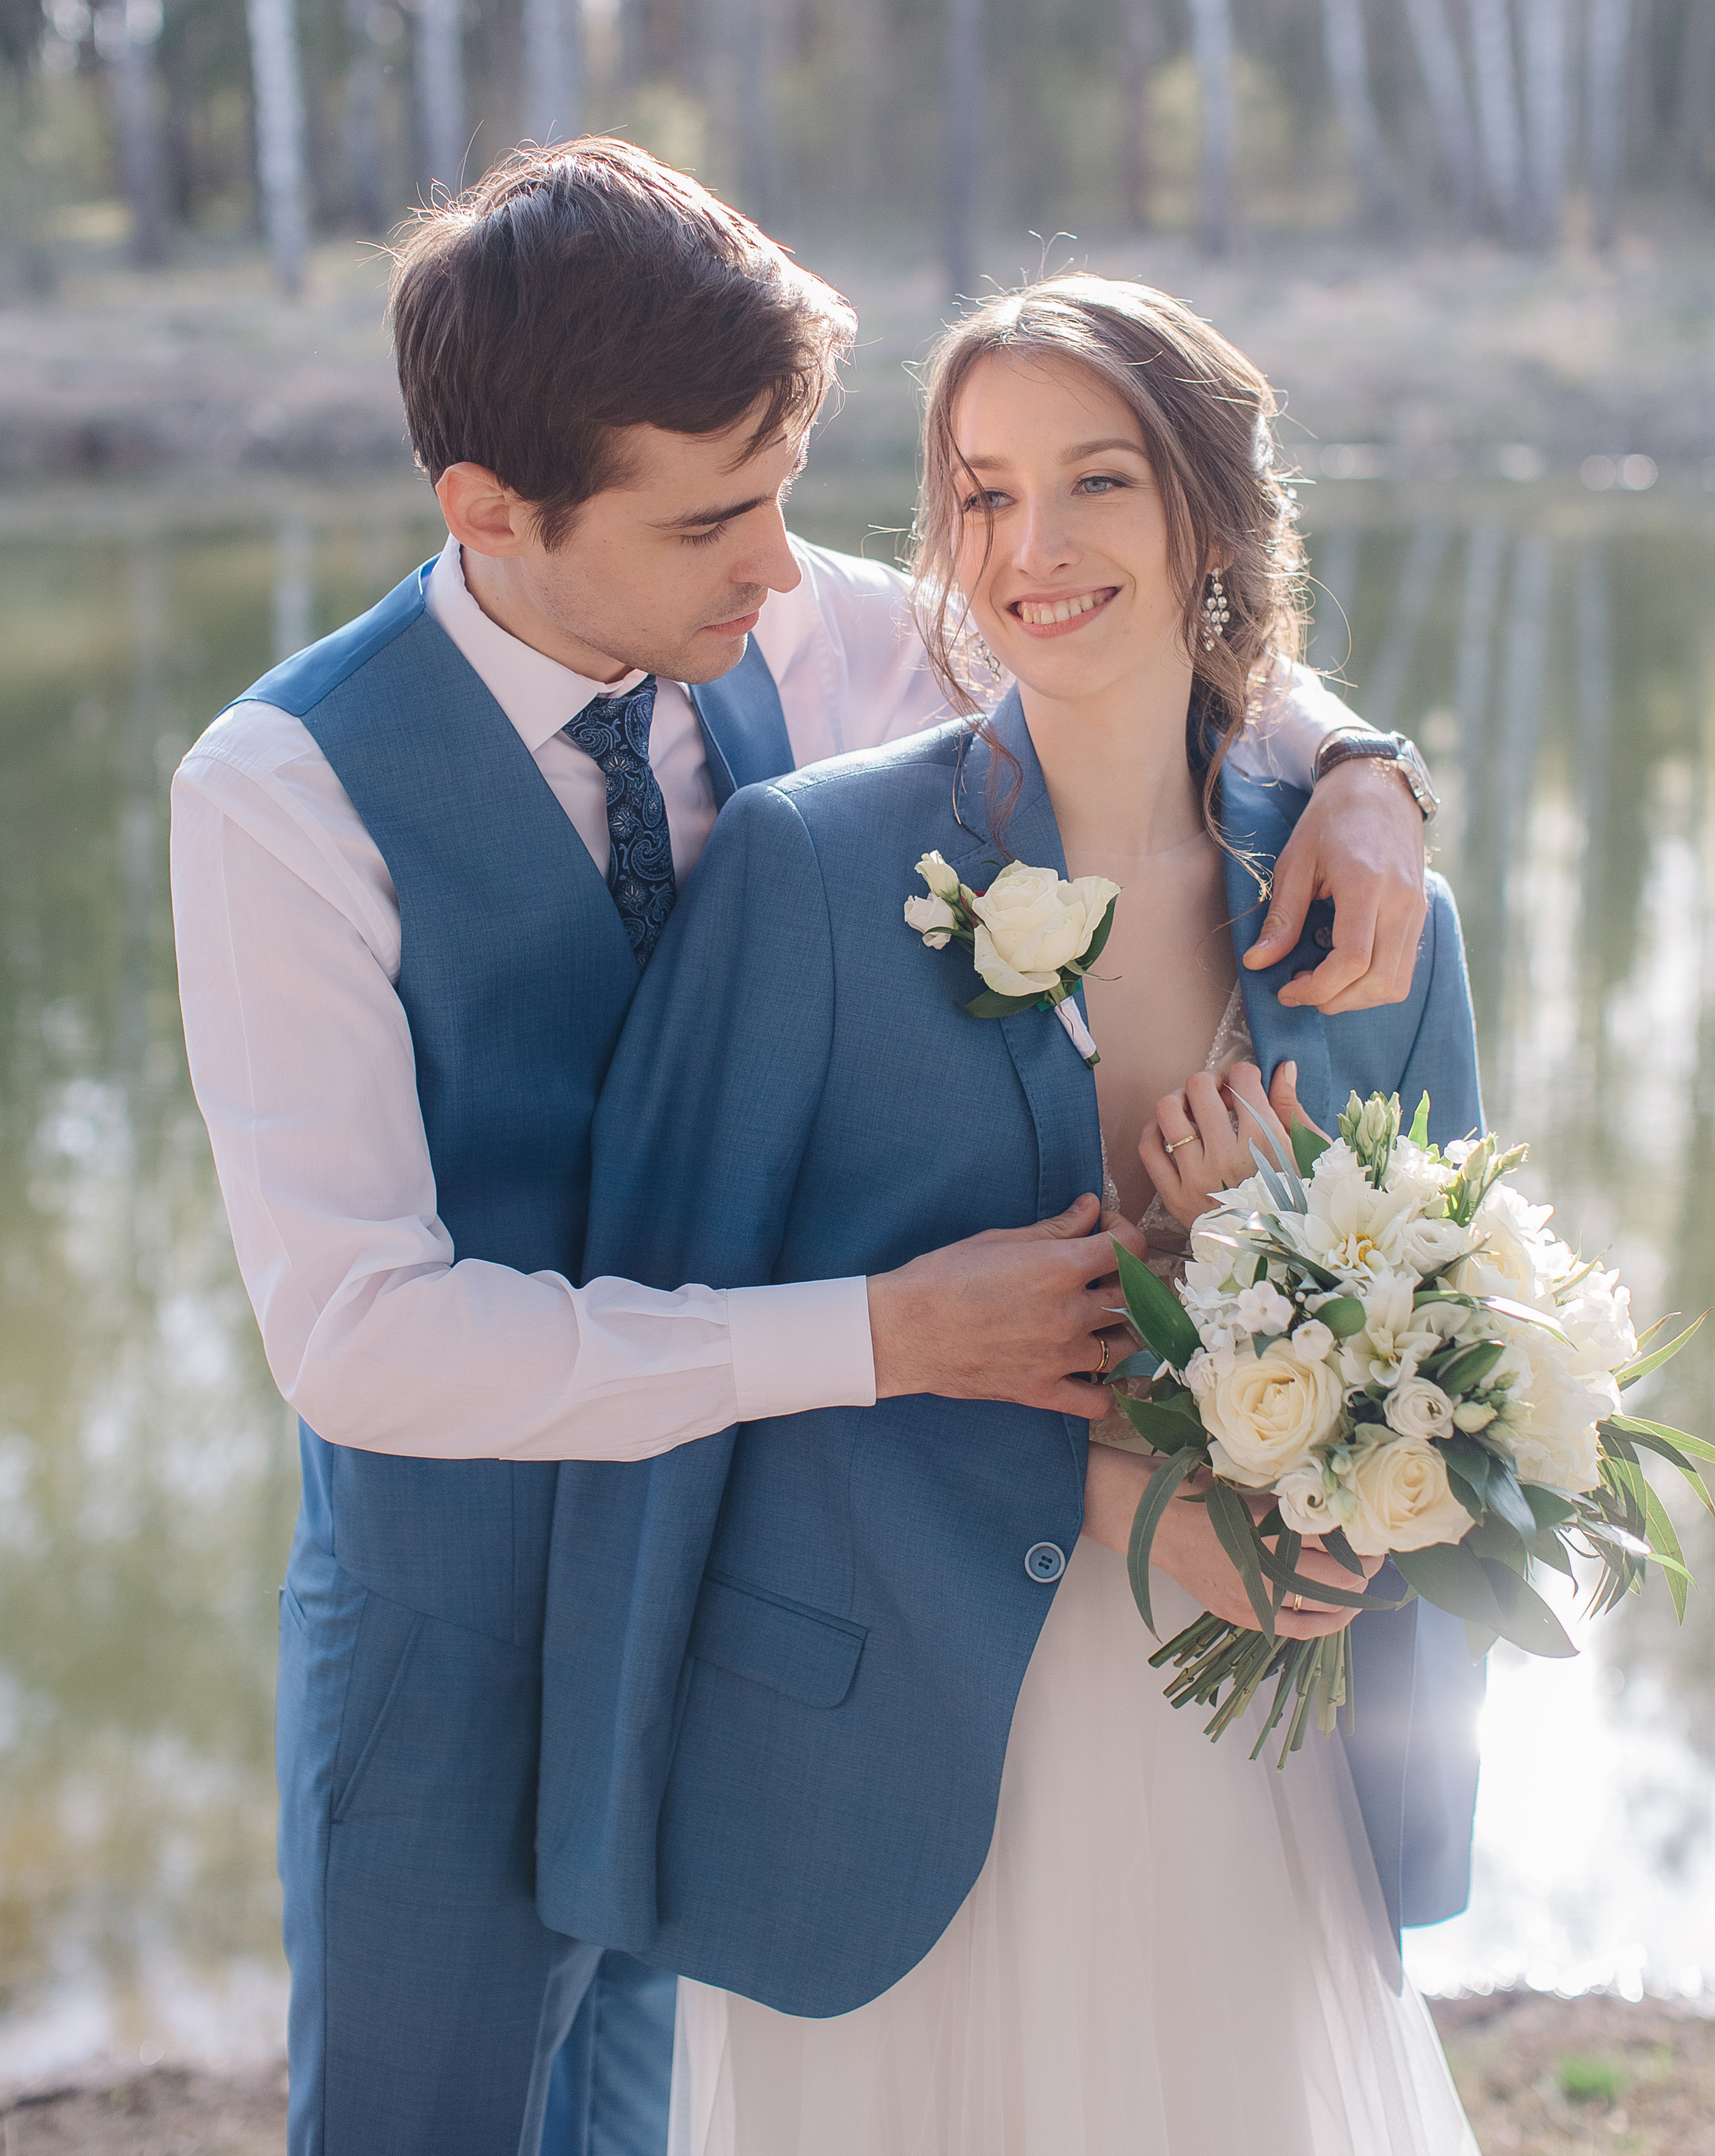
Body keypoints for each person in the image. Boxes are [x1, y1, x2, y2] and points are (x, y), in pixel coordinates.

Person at [169, 144, 1439, 2156]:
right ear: (494, 514)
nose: (785, 569)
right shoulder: (279, 799)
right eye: (715, 523)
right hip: (468, 1634)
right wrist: (879, 1336)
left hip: (769, 1604)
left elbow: (1124, 620)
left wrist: (1365, 766)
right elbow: (358, 1337)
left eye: (785, 493)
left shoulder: (789, 628)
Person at [571, 275, 1485, 2156]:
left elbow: (1456, 1369)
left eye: (1099, 486)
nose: (1031, 549)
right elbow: (679, 1343)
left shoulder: (1380, 927)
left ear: (1212, 525)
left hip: (1250, 1754)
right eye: (981, 493)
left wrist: (1335, 1509)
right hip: (879, 1725)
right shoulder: (812, 874)